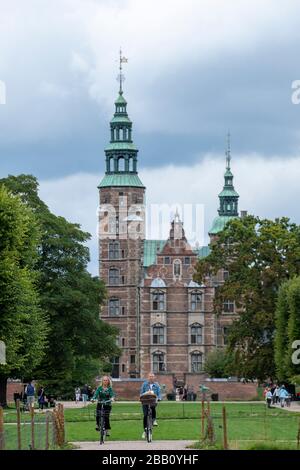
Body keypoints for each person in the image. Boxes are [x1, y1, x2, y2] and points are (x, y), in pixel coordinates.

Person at [140, 373, 161, 439]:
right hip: (145, 401)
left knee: (153, 407)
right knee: (145, 415)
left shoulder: (157, 385)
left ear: (154, 377)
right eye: (150, 376)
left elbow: (159, 393)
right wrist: (144, 395)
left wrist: (159, 398)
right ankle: (145, 430)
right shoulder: (144, 384)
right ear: (148, 377)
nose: (151, 378)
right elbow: (141, 393)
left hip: (152, 401)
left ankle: (154, 420)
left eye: (152, 376)